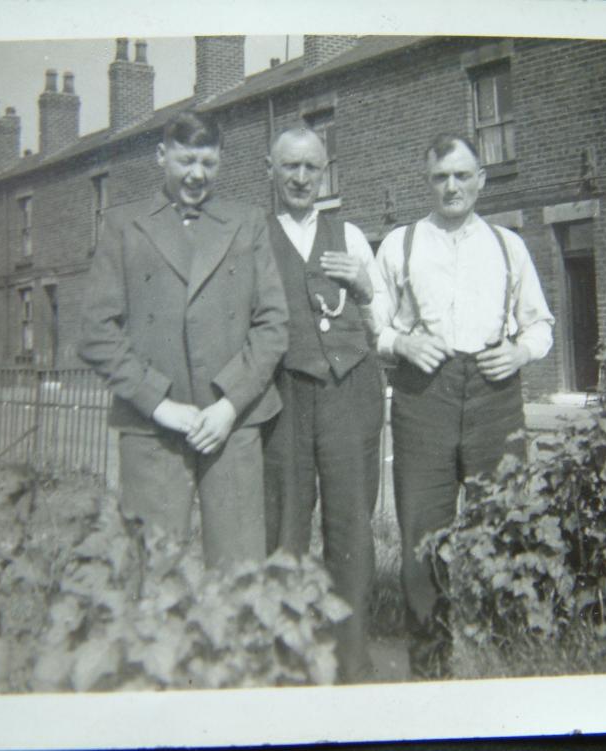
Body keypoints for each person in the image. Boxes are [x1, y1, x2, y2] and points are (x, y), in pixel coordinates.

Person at [375, 133, 555, 678]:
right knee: (423, 538)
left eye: (461, 175)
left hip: (494, 398)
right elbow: (373, 324)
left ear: (482, 179)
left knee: (506, 526)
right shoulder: (399, 244)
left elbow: (540, 323)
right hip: (421, 398)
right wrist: (401, 344)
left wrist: (521, 351)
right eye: (439, 177)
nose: (451, 187)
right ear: (427, 182)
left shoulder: (508, 245)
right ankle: (432, 667)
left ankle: (505, 660)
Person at [78, 108, 288, 571]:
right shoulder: (123, 226)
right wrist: (159, 403)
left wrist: (229, 405)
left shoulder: (247, 222)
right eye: (186, 161)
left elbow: (273, 323)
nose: (197, 175)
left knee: (239, 574)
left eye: (209, 163)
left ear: (222, 161)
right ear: (161, 156)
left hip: (231, 425)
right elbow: (96, 331)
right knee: (151, 569)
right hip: (153, 428)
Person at [262, 127, 387, 683]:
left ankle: (352, 660)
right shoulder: (254, 236)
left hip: (348, 391)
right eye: (291, 166)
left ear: (325, 171)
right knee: (284, 524)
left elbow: (382, 314)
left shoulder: (350, 234)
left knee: (350, 527)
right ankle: (286, 658)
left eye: (311, 167)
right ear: (272, 169)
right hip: (285, 392)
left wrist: (362, 284)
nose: (301, 177)